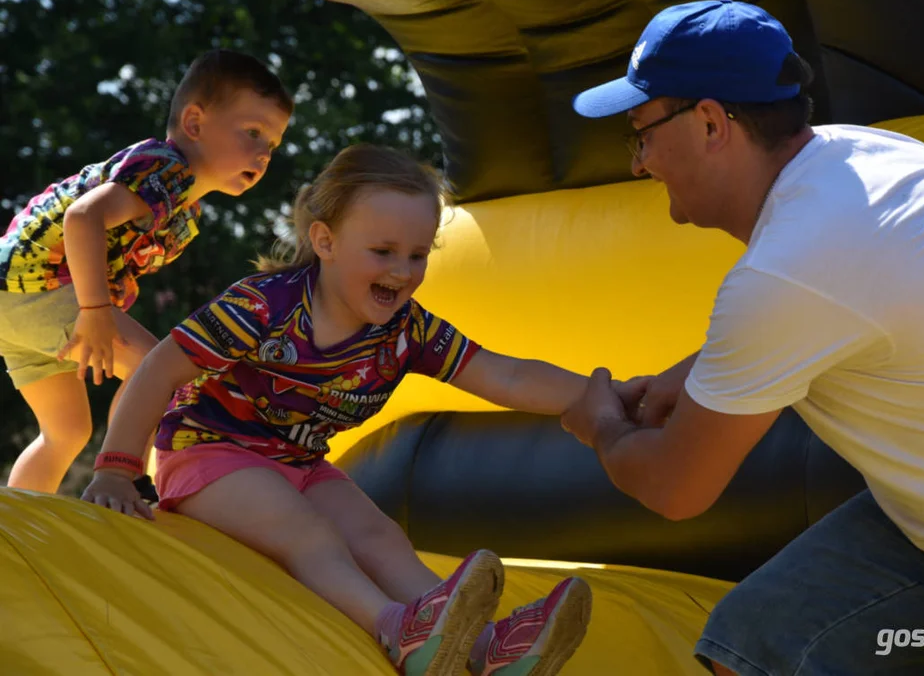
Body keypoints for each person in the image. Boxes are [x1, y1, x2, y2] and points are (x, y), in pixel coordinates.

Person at [562, 0, 924, 675]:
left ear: (712, 122)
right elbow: (857, 304)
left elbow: (674, 487)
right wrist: (688, 376)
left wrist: (602, 427)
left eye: (641, 133)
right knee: (753, 649)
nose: (639, 163)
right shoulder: (860, 155)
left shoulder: (789, 266)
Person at [80, 143, 610, 676]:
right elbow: (159, 369)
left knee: (383, 539)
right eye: (383, 251)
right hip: (210, 453)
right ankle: (396, 627)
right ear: (325, 241)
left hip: (298, 463)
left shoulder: (406, 330)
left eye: (418, 255)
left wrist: (610, 394)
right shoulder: (266, 306)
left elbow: (505, 374)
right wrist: (117, 470)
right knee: (308, 533)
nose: (402, 271)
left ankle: (485, 648)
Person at [0, 49, 293, 494]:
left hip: (16, 300)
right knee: (159, 369)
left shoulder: (183, 208)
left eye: (271, 143)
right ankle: (121, 478)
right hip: (38, 285)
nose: (263, 153)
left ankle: (16, 530)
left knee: (66, 432)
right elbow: (81, 218)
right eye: (252, 133)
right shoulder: (166, 168)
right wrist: (95, 309)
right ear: (194, 123)